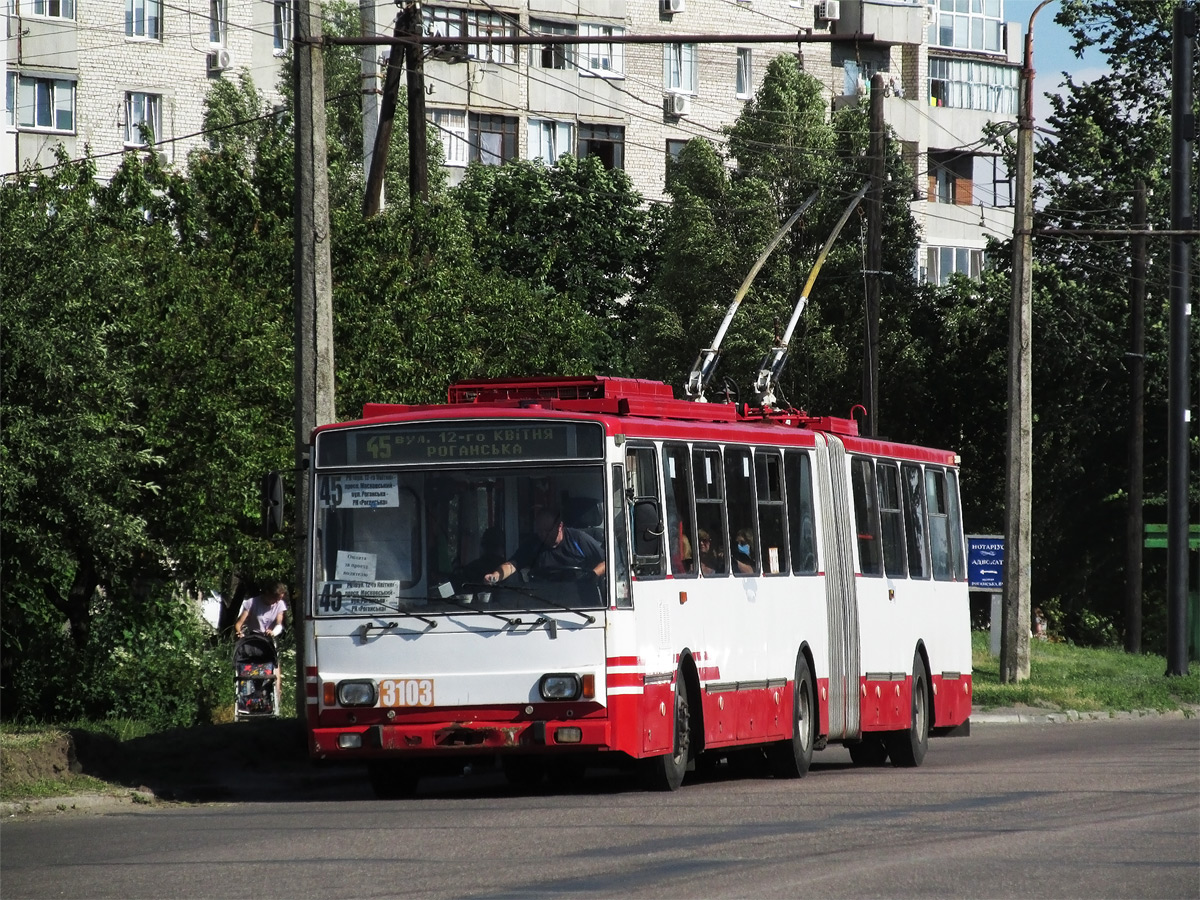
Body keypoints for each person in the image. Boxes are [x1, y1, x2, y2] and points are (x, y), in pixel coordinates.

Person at [484, 507, 605, 584]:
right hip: (543, 599)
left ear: (560, 527)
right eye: (539, 530)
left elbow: (606, 562)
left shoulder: (578, 539)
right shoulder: (533, 544)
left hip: (578, 595)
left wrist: (592, 575)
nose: (542, 534)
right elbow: (512, 564)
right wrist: (495, 575)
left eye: (546, 530)